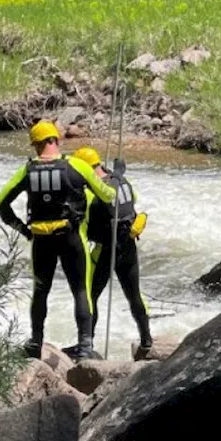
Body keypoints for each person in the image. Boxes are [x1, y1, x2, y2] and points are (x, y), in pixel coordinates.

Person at [0, 120, 116, 361]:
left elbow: (1, 204)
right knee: (81, 290)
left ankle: (35, 343)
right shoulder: (77, 166)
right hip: (71, 237)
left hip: (40, 240)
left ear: (36, 145)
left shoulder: (26, 171)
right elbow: (107, 194)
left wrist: (23, 230)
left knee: (40, 292)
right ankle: (84, 346)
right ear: (56, 140)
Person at [74, 147, 154, 360]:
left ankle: (86, 345)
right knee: (134, 295)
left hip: (104, 251)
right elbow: (132, 200)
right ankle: (146, 340)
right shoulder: (123, 182)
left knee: (90, 297)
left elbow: (83, 227)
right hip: (128, 247)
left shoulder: (92, 193)